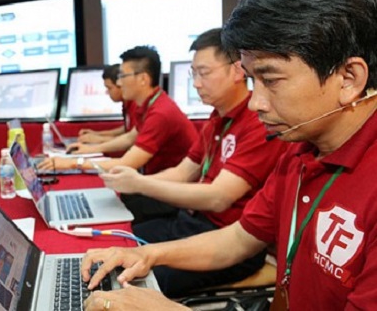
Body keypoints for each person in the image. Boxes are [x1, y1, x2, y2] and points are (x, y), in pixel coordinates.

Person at [80, 0, 377, 310]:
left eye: (271, 80)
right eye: (252, 81)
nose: (256, 102)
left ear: (349, 78)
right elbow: (239, 239)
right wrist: (147, 253)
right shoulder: (300, 149)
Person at [98, 28, 288, 297]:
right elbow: (183, 171)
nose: (196, 83)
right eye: (193, 74)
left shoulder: (258, 124)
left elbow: (217, 198)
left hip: (229, 239)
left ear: (237, 70)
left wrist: (139, 182)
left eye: (204, 73)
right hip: (194, 222)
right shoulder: (216, 119)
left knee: (130, 283)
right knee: (119, 239)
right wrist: (134, 182)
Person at [38, 46, 199, 205]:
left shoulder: (160, 113)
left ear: (143, 79)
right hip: (158, 184)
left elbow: (127, 163)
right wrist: (91, 149)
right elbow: (131, 136)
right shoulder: (151, 104)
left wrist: (73, 162)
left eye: (122, 75)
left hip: (172, 193)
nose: (120, 82)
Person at [77, 64, 136, 144]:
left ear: (121, 85)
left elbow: (132, 139)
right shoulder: (126, 103)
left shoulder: (136, 104)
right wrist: (97, 134)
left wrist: (99, 139)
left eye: (109, 88)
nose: (107, 92)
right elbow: (128, 128)